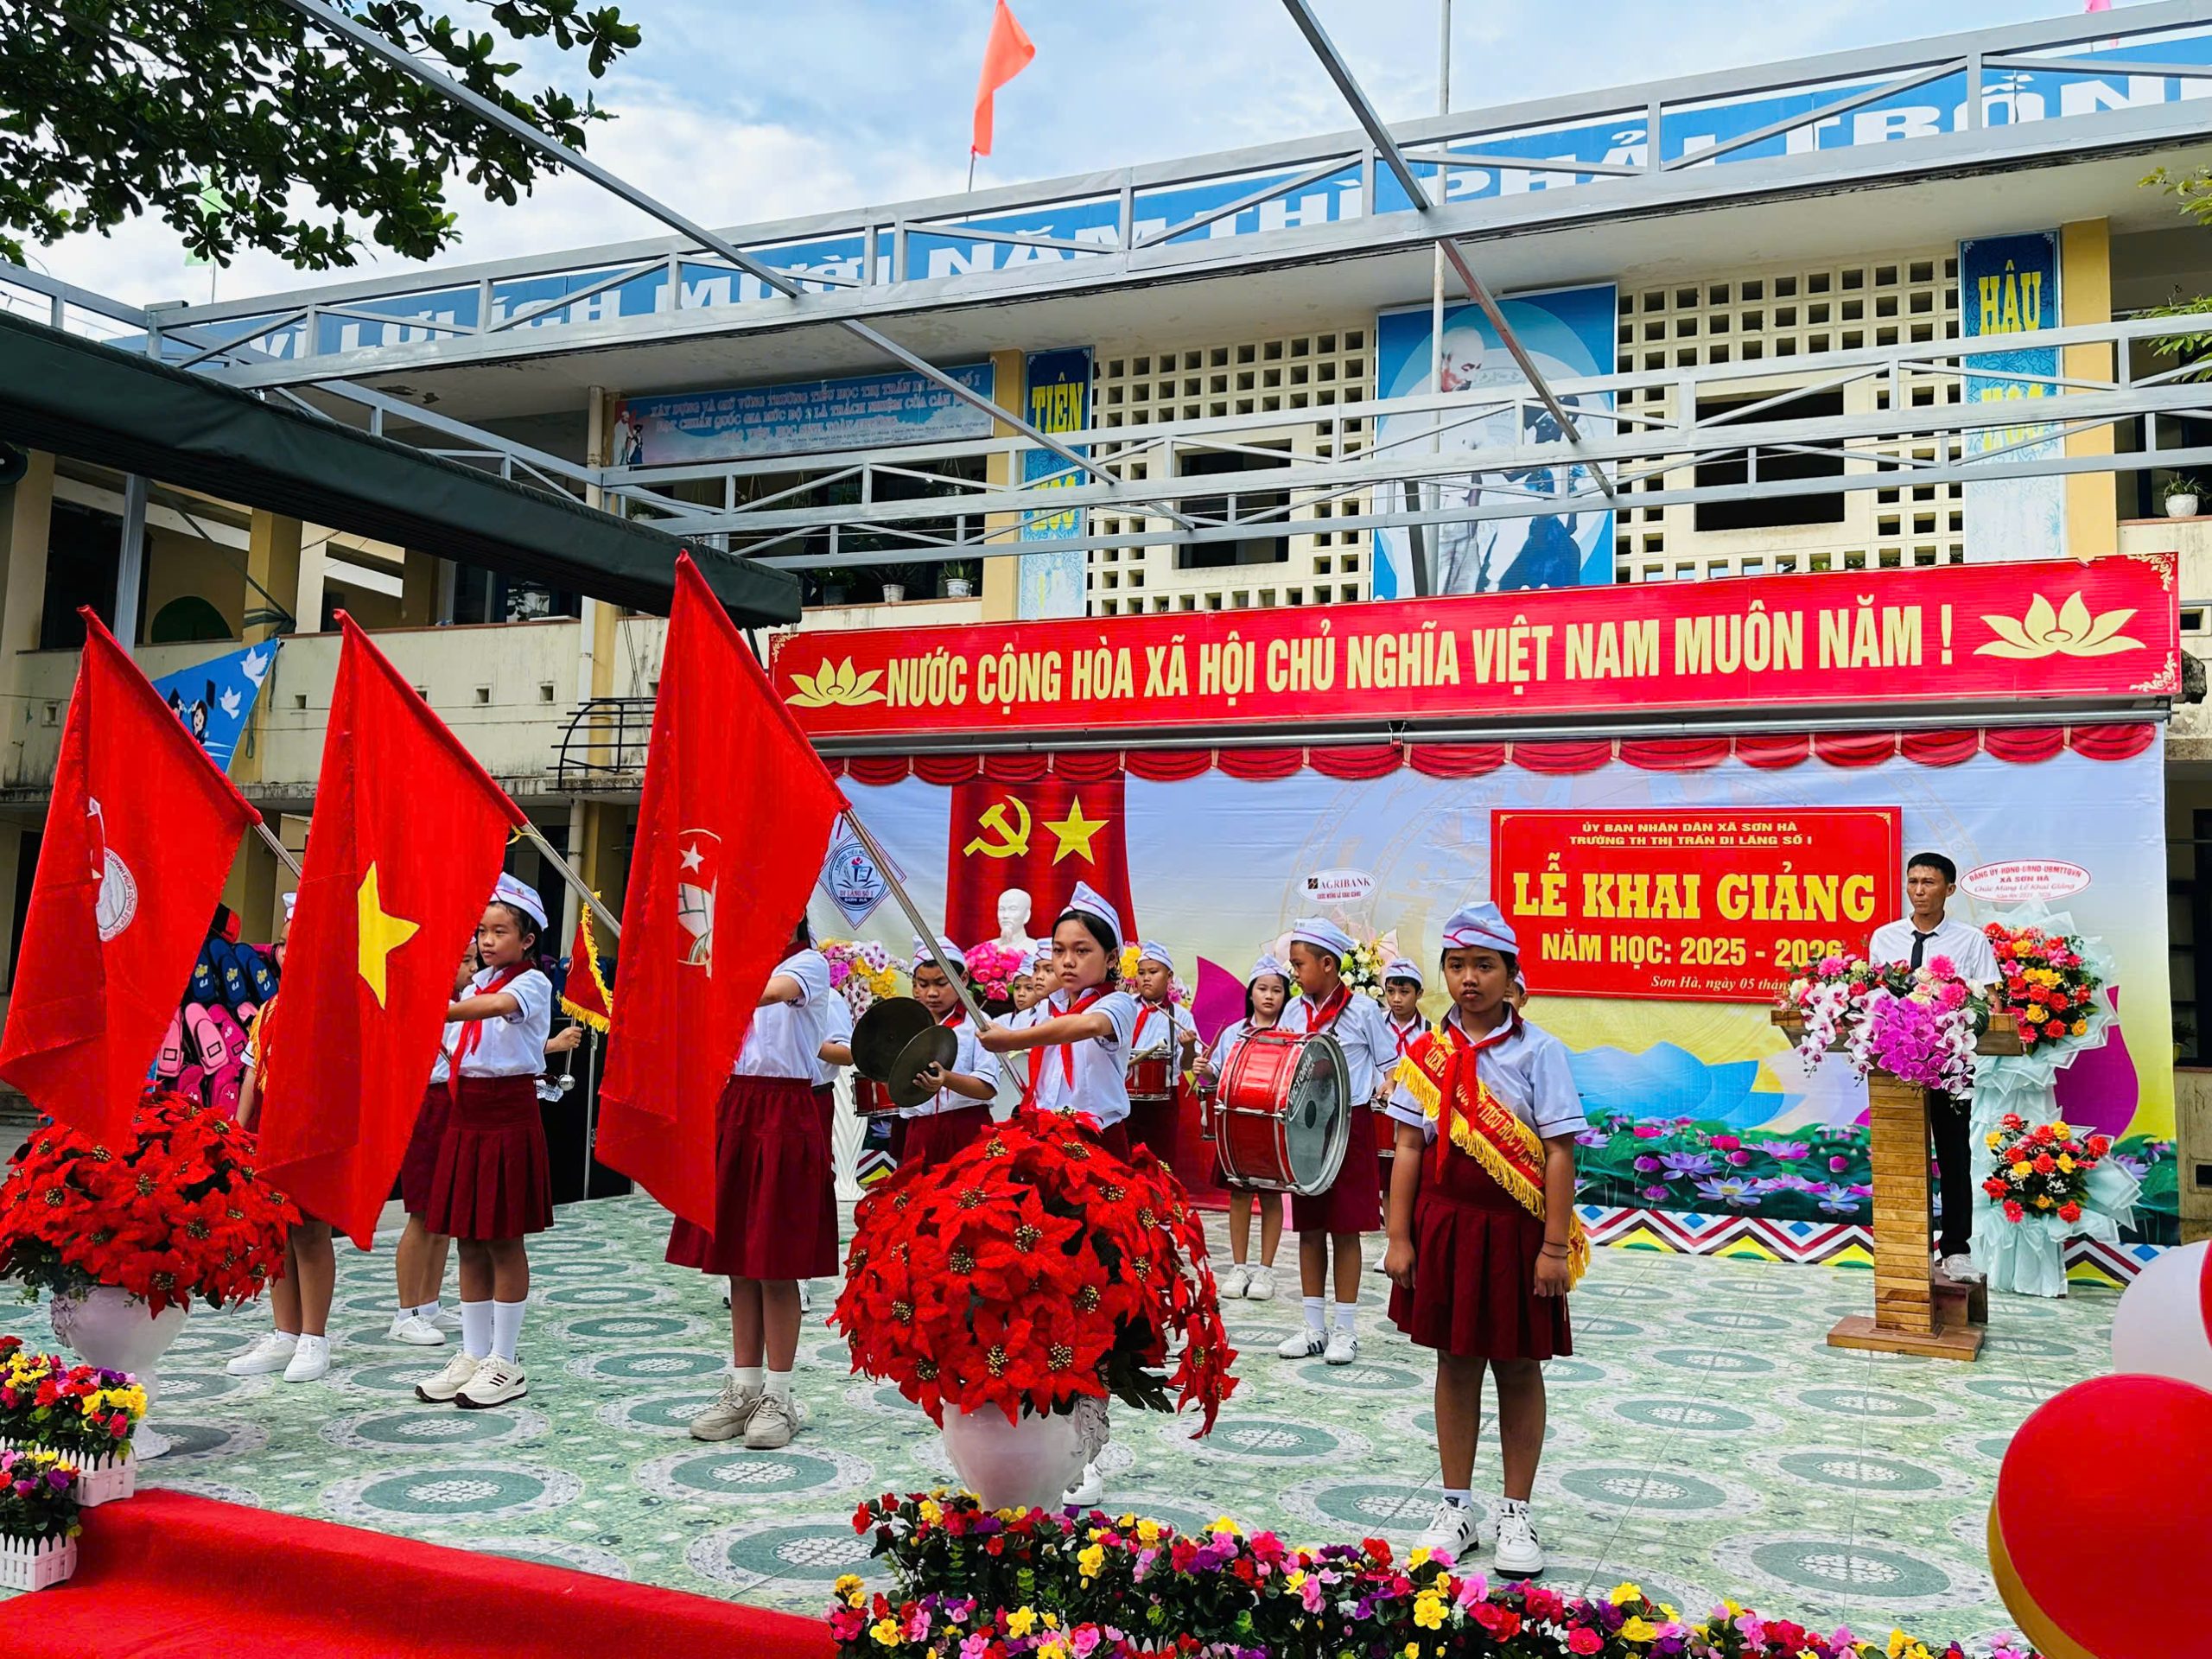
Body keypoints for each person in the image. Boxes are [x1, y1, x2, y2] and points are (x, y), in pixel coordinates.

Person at [1384, 901, 1587, 1576]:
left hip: (1517, 1234)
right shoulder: (1426, 1053)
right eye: (1456, 965)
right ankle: (1456, 1508)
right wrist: (1399, 1237)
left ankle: (1516, 1513)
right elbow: (1408, 1146)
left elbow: (1558, 1152)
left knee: (1520, 1365)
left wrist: (1553, 1248)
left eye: (1484, 965)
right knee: (1455, 1361)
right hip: (1445, 1229)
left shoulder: (1540, 1052)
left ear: (1511, 974)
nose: (1468, 978)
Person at [978, 881, 1142, 1511]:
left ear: (1109, 958)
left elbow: (1084, 1027)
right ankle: (1043, 1437)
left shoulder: (1117, 1006)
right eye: (1060, 951)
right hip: (1043, 1153)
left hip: (1096, 1154)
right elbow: (1000, 1045)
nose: (1068, 962)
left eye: (1082, 951)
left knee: (1093, 1298)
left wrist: (1016, 1037)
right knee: (1041, 1295)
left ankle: (1086, 1451)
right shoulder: (1041, 1012)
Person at [672, 918, 836, 1451]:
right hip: (734, 1107)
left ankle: (779, 1395)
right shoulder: (736, 966)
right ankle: (744, 1386)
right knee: (739, 1263)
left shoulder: (806, 965)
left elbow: (765, 993)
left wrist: (700, 975)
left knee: (776, 1264)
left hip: (784, 1113)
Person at [410, 875, 556, 1409]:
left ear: (526, 940)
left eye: (500, 931)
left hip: (507, 1113)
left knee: (503, 1240)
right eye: (482, 931)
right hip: (465, 1113)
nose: (488, 941)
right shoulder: (472, 986)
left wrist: (436, 1008)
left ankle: (506, 1361)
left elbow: (496, 1009)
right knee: (468, 1239)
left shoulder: (530, 984)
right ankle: (473, 1354)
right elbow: (456, 1045)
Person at [1867, 851, 1999, 1285]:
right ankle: (1902, 1247)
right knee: (1899, 1155)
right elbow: (1872, 1000)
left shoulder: (1970, 941)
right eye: (1913, 882)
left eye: (1928, 882)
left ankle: (1956, 1250)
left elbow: (1992, 1002)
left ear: (1950, 888)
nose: (1919, 891)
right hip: (1895, 1065)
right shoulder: (1884, 937)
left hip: (1950, 1064)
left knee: (1954, 1154)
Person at [227, 894, 339, 1384]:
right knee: (276, 1234)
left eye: (303, 944)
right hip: (266, 1131)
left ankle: (315, 1337)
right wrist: (236, 1134)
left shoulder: (335, 1008)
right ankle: (285, 1333)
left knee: (310, 1233)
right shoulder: (270, 1007)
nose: (291, 953)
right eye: (286, 944)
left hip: (311, 1131)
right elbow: (252, 1073)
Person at [1274, 918, 1392, 1365]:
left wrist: (1388, 1087)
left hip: (1350, 1126)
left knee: (1345, 1230)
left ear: (1328, 964)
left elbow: (1392, 1065)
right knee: (1309, 1229)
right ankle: (1313, 1328)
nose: (1294, 973)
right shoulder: (1292, 1011)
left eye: (1299, 964)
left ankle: (1345, 1330)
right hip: (1304, 1129)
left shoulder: (1362, 1011)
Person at [388, 948, 476, 1348]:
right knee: (423, 1213)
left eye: (473, 960)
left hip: (452, 1103)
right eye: (464, 960)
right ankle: (406, 1312)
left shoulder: (463, 1002)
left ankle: (429, 1303)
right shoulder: (423, 1006)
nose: (472, 968)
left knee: (444, 1215)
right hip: (425, 1106)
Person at [1192, 954, 1290, 1301]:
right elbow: (1217, 1077)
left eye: (1276, 990)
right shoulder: (1234, 1032)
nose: (1269, 996)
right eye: (1262, 989)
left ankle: (1266, 1270)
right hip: (1237, 1125)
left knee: (1271, 1194)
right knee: (1240, 1193)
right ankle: (1239, 1267)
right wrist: (1204, 1068)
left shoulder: (1291, 1032)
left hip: (1274, 1127)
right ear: (1251, 993)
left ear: (1285, 995)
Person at [900, 936, 998, 1166]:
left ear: (963, 978)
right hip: (919, 1130)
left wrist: (946, 1078)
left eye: (941, 983)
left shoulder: (978, 1024)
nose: (932, 993)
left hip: (967, 1129)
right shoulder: (906, 1026)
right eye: (923, 984)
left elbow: (987, 1088)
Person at [1126, 941, 1197, 1169]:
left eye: (1153, 972)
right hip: (1122, 1098)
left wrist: (1188, 1048)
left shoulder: (1181, 1017)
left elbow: (1186, 1065)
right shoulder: (1124, 1007)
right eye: (1141, 973)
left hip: (1162, 1104)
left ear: (1169, 977)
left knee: (1159, 1165)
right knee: (1122, 1161)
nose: (1146, 978)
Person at [1377, 958, 1430, 1208]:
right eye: (1391, 991)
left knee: (1407, 1178)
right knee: (1383, 1179)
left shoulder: (1430, 1031)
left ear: (1419, 993)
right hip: (1380, 1111)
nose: (1396, 999)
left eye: (1404, 992)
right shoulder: (1375, 1024)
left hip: (1413, 1116)